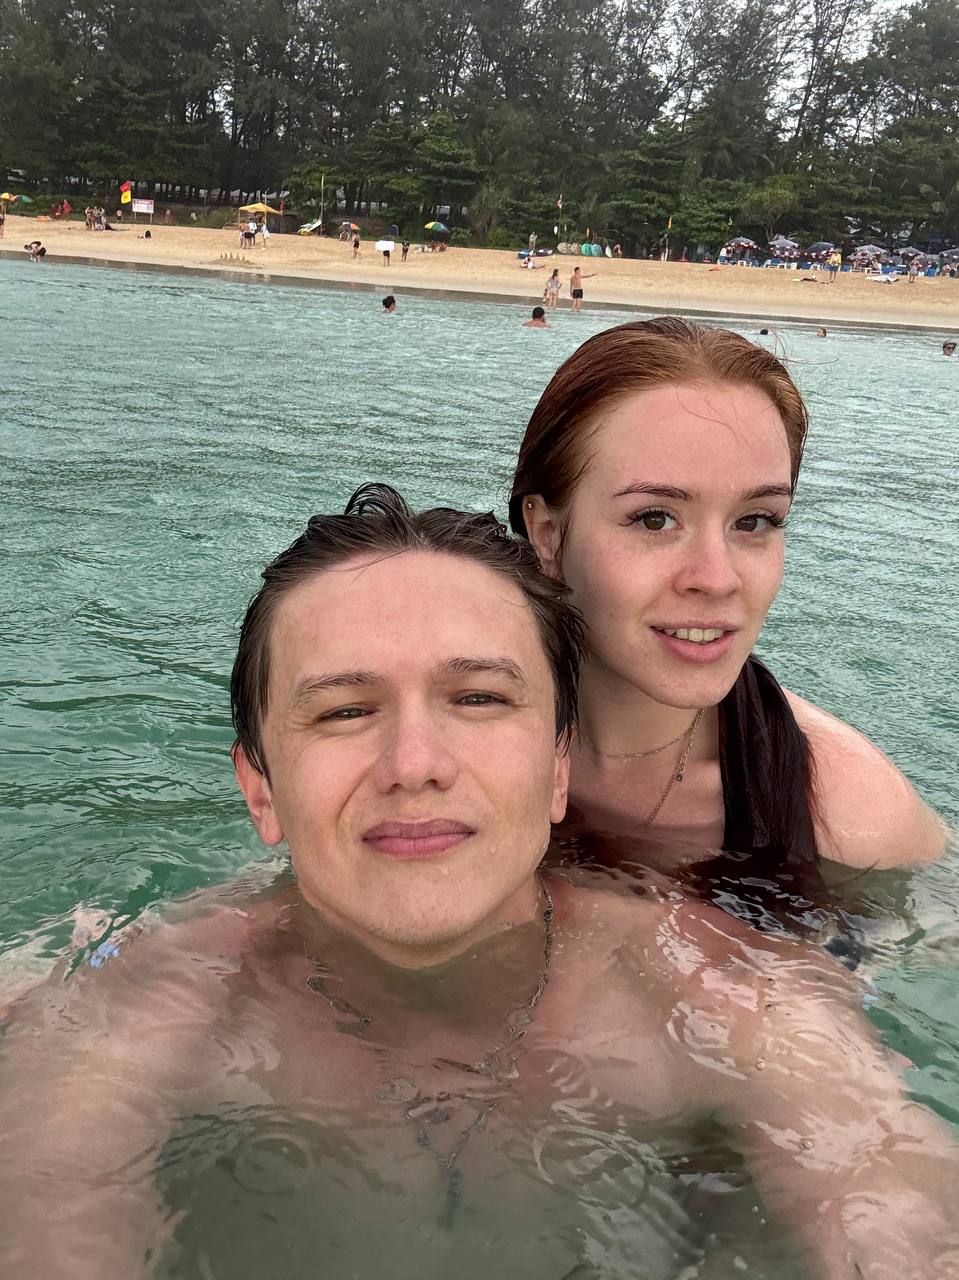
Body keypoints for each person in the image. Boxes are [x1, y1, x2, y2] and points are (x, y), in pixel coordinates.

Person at [2, 484, 957, 1280]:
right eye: (344, 711)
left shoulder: (722, 992)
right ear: (260, 787)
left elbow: (896, 1213)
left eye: (478, 698)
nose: (414, 764)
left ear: (556, 767)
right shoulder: (139, 1002)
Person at [509, 317, 947, 877]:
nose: (717, 579)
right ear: (547, 533)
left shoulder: (852, 817)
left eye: (755, 521)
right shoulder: (441, 738)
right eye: (655, 518)